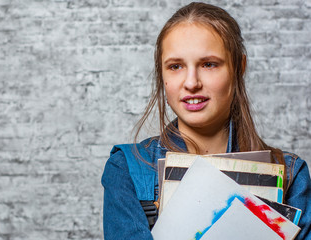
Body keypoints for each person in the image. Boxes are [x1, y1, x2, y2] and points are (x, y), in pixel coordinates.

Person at [101, 2, 311, 239]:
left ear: (239, 67)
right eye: (175, 66)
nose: (191, 83)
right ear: (162, 74)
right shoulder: (127, 169)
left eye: (209, 64)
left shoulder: (292, 174)